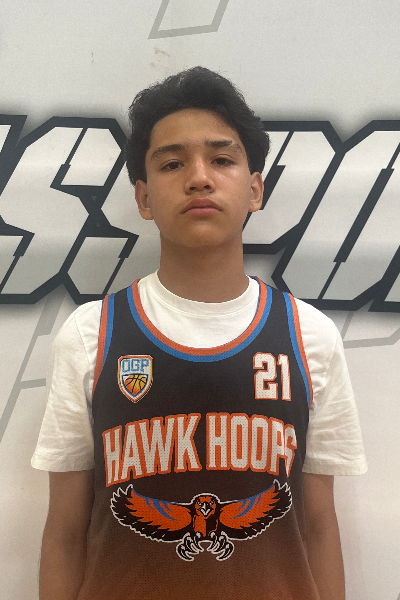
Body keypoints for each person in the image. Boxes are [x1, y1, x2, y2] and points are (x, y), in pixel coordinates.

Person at [32, 66, 367, 600]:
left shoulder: (310, 336)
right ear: (144, 199)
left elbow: (320, 528)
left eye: (222, 159)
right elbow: (65, 534)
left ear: (254, 189)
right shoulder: (91, 334)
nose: (199, 178)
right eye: (172, 163)